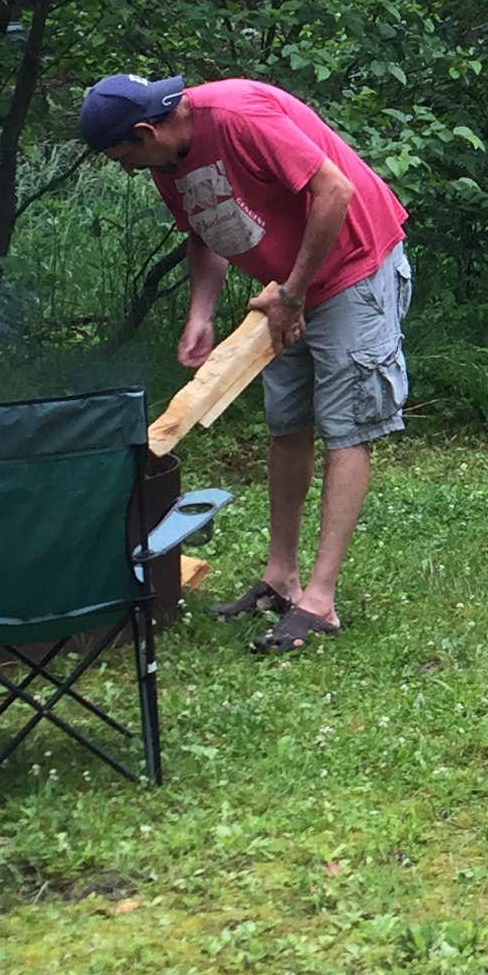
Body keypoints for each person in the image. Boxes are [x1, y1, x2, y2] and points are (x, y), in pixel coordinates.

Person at [79, 73, 410, 652]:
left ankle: (320, 600)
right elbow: (204, 233)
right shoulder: (167, 161)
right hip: (286, 291)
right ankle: (281, 579)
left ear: (144, 131)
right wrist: (200, 314)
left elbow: (334, 191)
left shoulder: (237, 117)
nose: (126, 169)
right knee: (287, 423)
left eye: (122, 157)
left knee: (347, 426)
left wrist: (292, 295)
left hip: (354, 268)